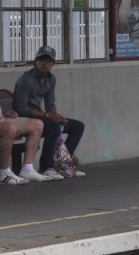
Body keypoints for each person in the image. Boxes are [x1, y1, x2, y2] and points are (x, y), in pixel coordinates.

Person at [13, 45, 86, 180]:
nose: (44, 63)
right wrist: (48, 116)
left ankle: (64, 164)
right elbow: (21, 109)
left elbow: (50, 103)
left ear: (53, 64)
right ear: (35, 61)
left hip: (41, 117)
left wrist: (56, 116)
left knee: (77, 126)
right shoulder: (26, 79)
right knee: (53, 126)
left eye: (48, 61)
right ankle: (46, 167)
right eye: (41, 60)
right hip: (23, 119)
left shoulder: (51, 79)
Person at [0, 106, 44, 185]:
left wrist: (2, 113)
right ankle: (3, 174)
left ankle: (27, 170)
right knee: (9, 128)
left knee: (37, 125)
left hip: (0, 118)